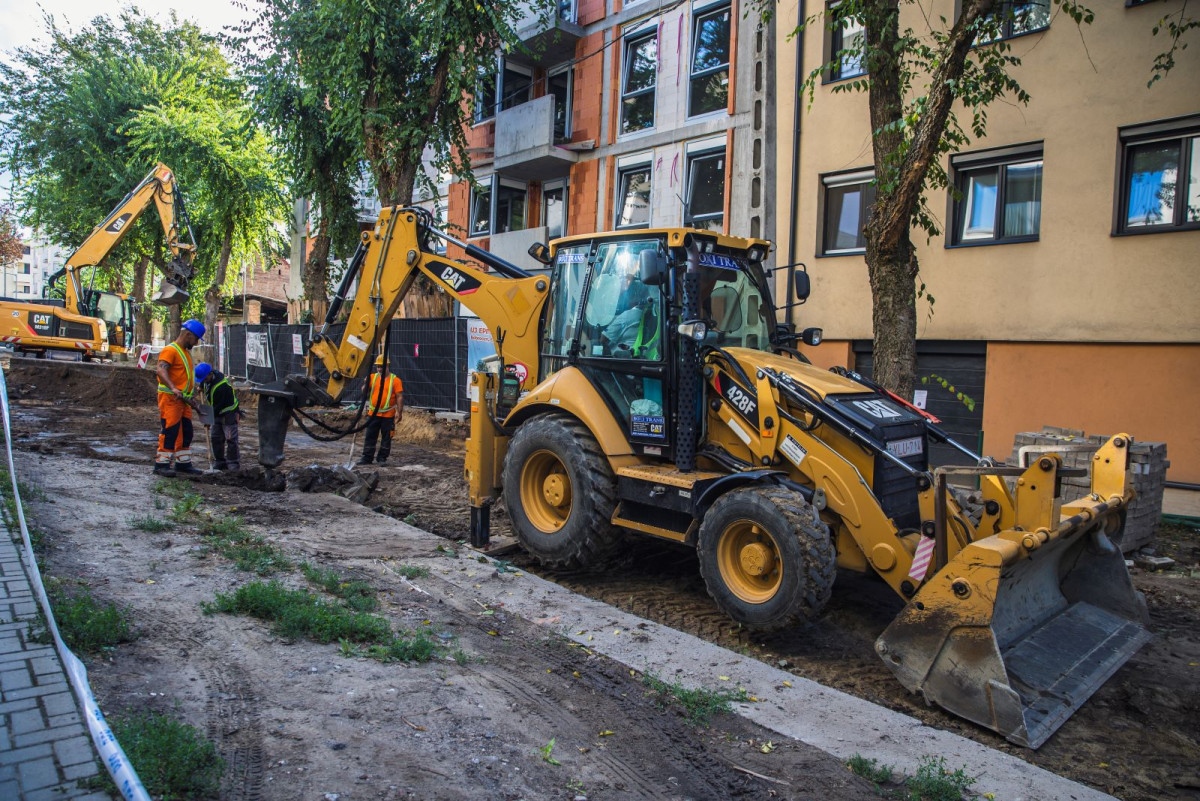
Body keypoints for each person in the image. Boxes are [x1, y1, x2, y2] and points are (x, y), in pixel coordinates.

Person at [154, 319, 204, 476]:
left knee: (186, 432)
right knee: (170, 430)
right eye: (195, 339)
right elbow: (161, 370)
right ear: (188, 334)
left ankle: (183, 463)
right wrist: (173, 388)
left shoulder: (185, 353)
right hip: (171, 400)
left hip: (183, 402)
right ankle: (161, 465)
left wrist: (192, 399)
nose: (195, 343)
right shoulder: (171, 351)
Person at [357, 354, 403, 466]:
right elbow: (364, 392)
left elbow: (399, 396)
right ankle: (367, 457)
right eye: (378, 367)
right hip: (373, 414)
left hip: (388, 415)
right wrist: (365, 384)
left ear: (387, 366)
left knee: (386, 437)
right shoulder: (372, 377)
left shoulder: (395, 380)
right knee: (370, 436)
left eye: (381, 366)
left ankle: (382, 458)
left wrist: (399, 412)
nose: (379, 369)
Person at [194, 362, 241, 471]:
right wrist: (201, 386)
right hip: (216, 411)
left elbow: (217, 407)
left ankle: (233, 463)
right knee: (216, 437)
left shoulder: (221, 387)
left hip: (228, 413)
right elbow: (204, 384)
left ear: (210, 374)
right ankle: (220, 461)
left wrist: (208, 420)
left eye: (204, 379)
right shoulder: (208, 379)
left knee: (230, 439)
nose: (204, 381)